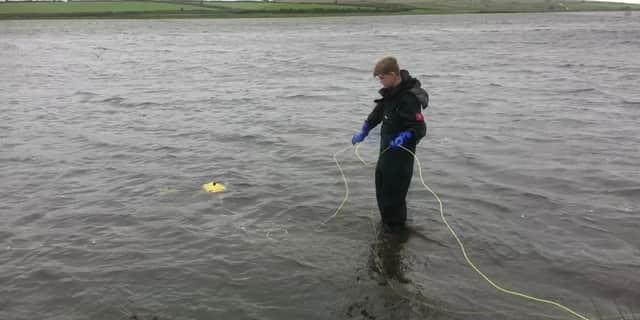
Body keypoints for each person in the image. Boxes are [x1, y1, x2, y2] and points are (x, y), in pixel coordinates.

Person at [351, 56, 429, 232]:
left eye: (381, 77)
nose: (380, 81)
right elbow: (377, 113)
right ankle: (387, 229)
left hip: (400, 160)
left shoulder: (408, 99)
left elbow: (420, 128)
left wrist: (404, 136)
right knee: (382, 193)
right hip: (385, 155)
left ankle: (396, 234)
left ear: (393, 74)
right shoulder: (390, 94)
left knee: (394, 199)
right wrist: (364, 130)